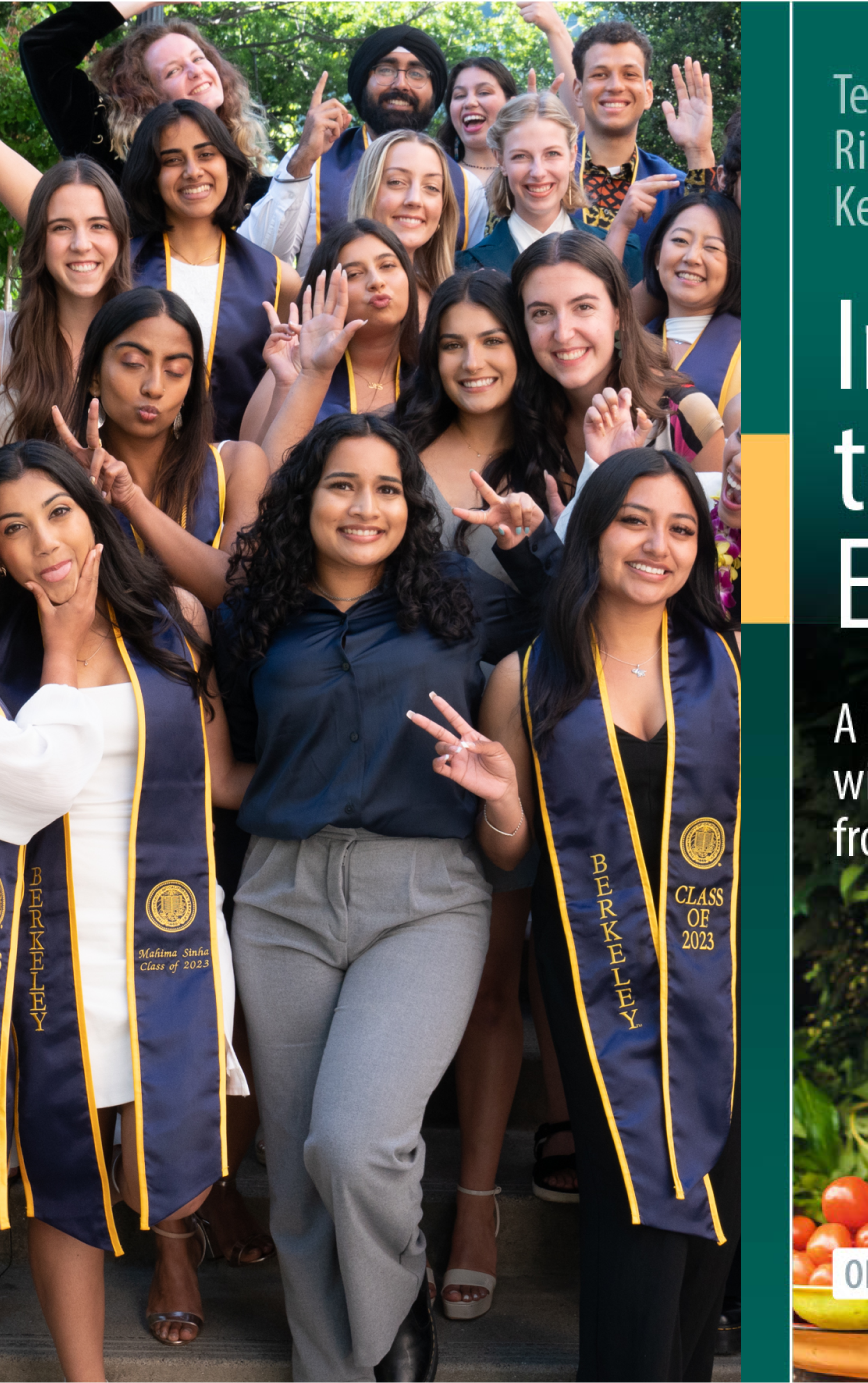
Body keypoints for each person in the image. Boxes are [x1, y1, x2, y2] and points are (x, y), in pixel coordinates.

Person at [210, 412, 538, 1383]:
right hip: (279, 896)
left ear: (412, 506)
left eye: (388, 487)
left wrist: (536, 540)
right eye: (342, 484)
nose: (366, 506)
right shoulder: (254, 618)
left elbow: (585, 618)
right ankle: (329, 1371)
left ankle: (397, 1329)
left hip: (425, 895)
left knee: (355, 1143)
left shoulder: (463, 603)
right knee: (297, 1173)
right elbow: (236, 762)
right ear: (305, 499)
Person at [0, 440, 243, 1366]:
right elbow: (26, 792)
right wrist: (56, 646)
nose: (43, 541)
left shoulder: (166, 620)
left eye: (56, 510)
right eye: (13, 527)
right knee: (68, 1173)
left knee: (165, 1180)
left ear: (91, 510)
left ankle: (177, 1249)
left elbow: (213, 779)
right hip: (53, 944)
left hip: (165, 930)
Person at [513, 446, 739, 1383]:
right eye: (634, 520)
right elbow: (510, 852)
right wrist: (495, 798)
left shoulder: (730, 668)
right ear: (592, 533)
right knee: (638, 1196)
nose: (659, 544)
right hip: (597, 967)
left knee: (711, 1199)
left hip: (722, 969)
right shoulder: (527, 677)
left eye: (681, 527)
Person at [382, 269, 579, 1318]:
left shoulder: (557, 457)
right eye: (451, 342)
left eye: (492, 340)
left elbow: (581, 616)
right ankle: (386, 1208)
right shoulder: (392, 456)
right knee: (407, 989)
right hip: (405, 745)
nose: (472, 361)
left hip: (516, 744)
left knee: (496, 985)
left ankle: (474, 1206)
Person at [507, 232, 731, 612]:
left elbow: (719, 563)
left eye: (583, 307)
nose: (563, 333)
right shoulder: (521, 419)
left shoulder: (684, 416)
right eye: (541, 313)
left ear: (618, 314)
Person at [44, 287, 265, 606]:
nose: (155, 387)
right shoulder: (56, 479)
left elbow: (238, 588)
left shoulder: (237, 463)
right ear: (94, 375)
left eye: (175, 371)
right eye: (133, 363)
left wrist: (131, 500)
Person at [0, 1, 269, 220]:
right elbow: (42, 50)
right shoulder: (111, 155)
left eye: (199, 58)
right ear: (145, 97)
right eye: (173, 70)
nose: (195, 71)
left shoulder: (253, 184)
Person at [119, 101, 280, 453]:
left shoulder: (276, 277)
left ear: (227, 161)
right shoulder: (119, 266)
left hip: (233, 478)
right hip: (130, 471)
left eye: (206, 154)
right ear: (151, 174)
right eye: (172, 160)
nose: (193, 171)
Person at [240, 25, 463, 275]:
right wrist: (302, 159)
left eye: (417, 73)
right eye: (386, 70)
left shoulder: (465, 184)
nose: (401, 84)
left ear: (435, 90)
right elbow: (259, 257)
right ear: (362, 81)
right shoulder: (311, 161)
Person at [0, 158, 128, 455]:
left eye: (98, 225)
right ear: (39, 240)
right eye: (61, 227)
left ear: (120, 237)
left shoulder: (151, 339)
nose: (81, 244)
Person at [244, 218, 415, 462]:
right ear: (324, 290)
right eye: (354, 273)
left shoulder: (433, 369)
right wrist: (288, 383)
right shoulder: (298, 362)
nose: (377, 281)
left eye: (388, 266)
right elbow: (253, 475)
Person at [561, 19, 719, 283]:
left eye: (630, 74)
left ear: (648, 94)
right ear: (578, 91)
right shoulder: (545, 176)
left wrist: (699, 149)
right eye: (600, 74)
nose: (615, 86)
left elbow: (715, 235)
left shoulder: (672, 187)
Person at [462, 89, 593, 274]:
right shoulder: (467, 266)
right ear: (500, 160)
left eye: (552, 154)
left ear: (572, 156)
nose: (538, 172)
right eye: (520, 156)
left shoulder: (618, 249)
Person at [640, 193, 739, 436]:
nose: (691, 257)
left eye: (712, 247)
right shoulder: (633, 341)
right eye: (680, 241)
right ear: (656, 257)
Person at [344, 129, 459, 296]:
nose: (415, 200)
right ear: (367, 192)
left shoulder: (453, 304)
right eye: (396, 182)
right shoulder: (319, 297)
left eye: (431, 187)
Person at [440, 57, 517, 244]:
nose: (470, 102)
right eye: (459, 96)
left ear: (511, 104)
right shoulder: (438, 178)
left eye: (483, 92)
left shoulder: (532, 175)